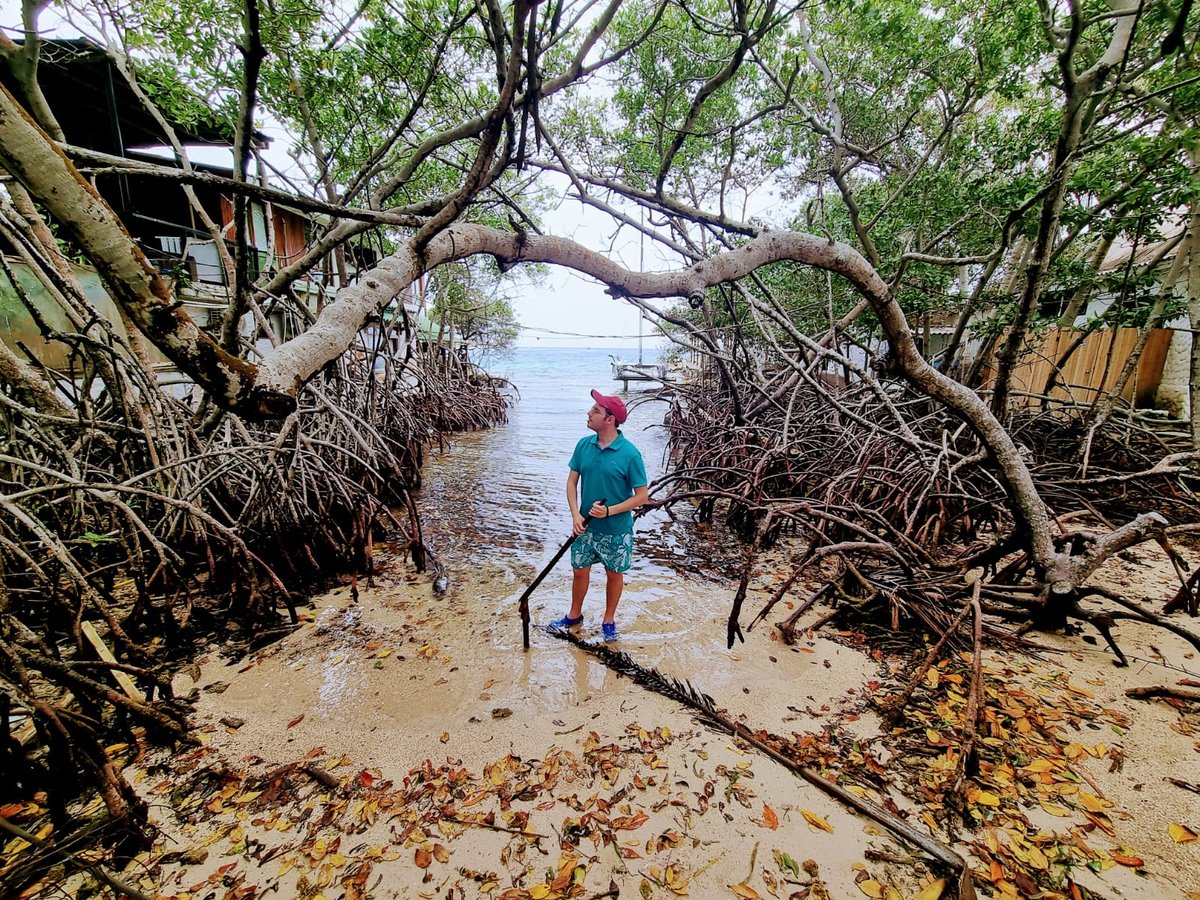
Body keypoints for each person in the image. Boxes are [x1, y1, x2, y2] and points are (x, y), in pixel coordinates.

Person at [551, 389, 648, 641]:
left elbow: (641, 497)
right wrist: (575, 516)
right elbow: (572, 483)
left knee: (614, 573)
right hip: (584, 527)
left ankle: (608, 619)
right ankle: (574, 614)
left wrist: (609, 511)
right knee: (579, 570)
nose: (589, 412)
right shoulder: (584, 445)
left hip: (616, 529)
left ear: (609, 419)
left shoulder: (630, 454)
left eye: (596, 410)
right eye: (592, 408)